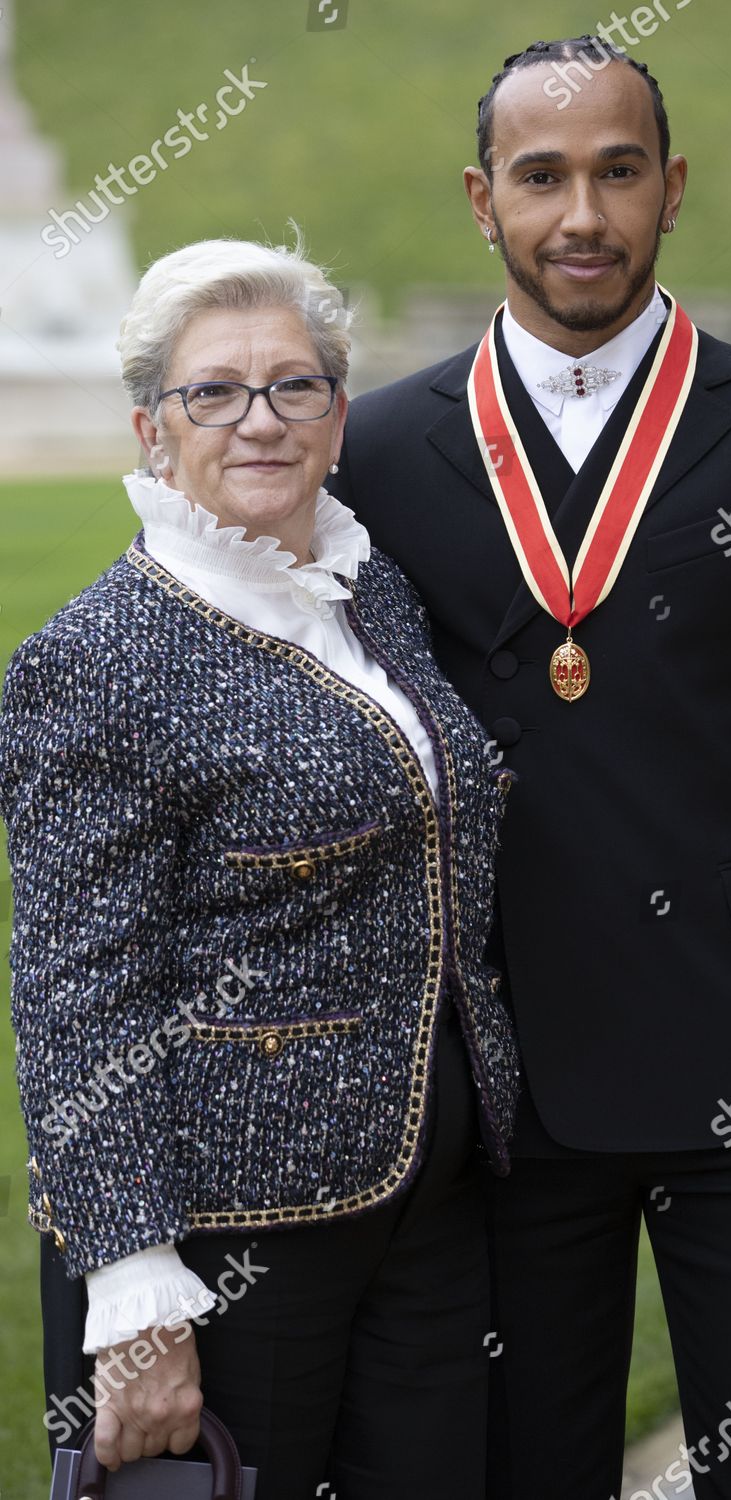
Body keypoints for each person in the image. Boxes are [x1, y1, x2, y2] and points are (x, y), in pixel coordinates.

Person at [329, 37, 731, 1499]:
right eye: (541, 177)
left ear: (673, 188)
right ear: (482, 200)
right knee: (528, 1466)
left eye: (616, 173)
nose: (581, 215)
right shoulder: (383, 449)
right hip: (502, 1079)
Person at [0, 234, 519, 1500]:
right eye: (213, 392)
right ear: (150, 429)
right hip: (237, 1236)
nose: (259, 420)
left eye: (294, 386)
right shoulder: (98, 659)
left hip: (429, 1198)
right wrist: (137, 1299)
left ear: (338, 416)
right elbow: (76, 998)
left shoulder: (364, 591)